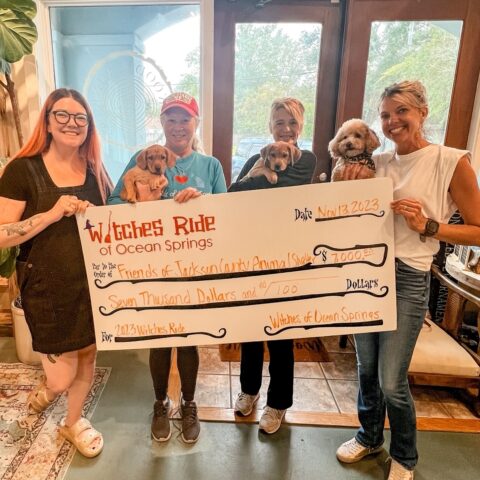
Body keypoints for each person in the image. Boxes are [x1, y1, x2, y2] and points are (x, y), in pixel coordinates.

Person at [335, 80, 480, 479]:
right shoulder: (376, 163)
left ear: (422, 112)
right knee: (366, 369)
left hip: (409, 276)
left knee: (392, 380)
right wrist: (340, 185)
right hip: (365, 271)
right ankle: (368, 437)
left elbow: (478, 230)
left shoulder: (450, 160)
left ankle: (405, 456)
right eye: (385, 115)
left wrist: (428, 225)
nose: (392, 121)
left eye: (401, 111)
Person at [109, 92, 227, 444]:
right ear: (162, 123)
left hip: (195, 270)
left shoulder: (210, 166)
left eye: (184, 119)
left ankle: (189, 404)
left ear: (195, 123)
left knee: (189, 341)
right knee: (159, 340)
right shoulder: (142, 160)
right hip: (153, 269)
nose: (178, 126)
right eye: (171, 119)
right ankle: (160, 403)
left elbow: (228, 212)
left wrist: (202, 202)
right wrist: (141, 202)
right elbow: (111, 203)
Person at [0, 88, 112, 458]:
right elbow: (1, 235)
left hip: (92, 283)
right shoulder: (22, 169)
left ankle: (72, 422)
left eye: (80, 117)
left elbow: (113, 219)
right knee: (61, 377)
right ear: (47, 121)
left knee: (88, 356)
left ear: (88, 125)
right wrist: (51, 214)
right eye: (61, 115)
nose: (71, 123)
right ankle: (49, 391)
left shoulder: (94, 168)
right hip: (47, 287)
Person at [229, 97, 317, 434]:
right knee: (251, 329)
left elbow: (286, 187)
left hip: (290, 258)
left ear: (300, 126)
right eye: (280, 122)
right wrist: (254, 176)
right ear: (271, 126)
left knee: (282, 335)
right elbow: (232, 194)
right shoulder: (257, 157)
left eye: (292, 122)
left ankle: (278, 403)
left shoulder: (305, 159)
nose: (286, 129)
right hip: (254, 253)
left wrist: (256, 179)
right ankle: (249, 390)